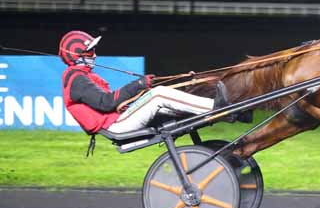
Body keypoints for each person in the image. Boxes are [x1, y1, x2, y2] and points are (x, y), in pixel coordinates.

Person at [60, 30, 215, 135]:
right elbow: (106, 103)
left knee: (164, 101)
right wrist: (139, 84)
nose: (94, 55)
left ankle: (219, 111)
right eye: (90, 51)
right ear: (77, 55)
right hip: (116, 126)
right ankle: (215, 107)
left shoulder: (80, 76)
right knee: (158, 94)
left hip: (118, 119)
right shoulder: (76, 79)